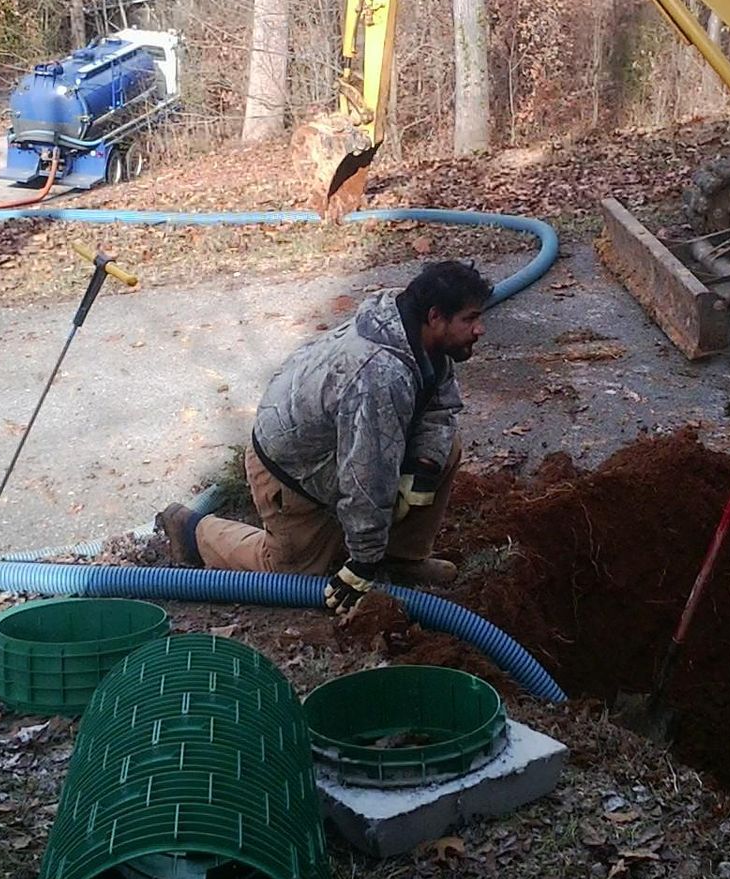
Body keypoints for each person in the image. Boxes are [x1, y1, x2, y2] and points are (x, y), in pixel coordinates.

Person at [156, 259, 491, 615]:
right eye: (470, 319)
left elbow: (440, 403)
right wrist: (362, 563)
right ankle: (192, 530)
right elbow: (366, 477)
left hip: (335, 444)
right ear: (436, 316)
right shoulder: (379, 377)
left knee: (443, 450)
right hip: (292, 470)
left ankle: (402, 559)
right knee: (290, 575)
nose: (479, 329)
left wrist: (423, 466)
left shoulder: (412, 327)